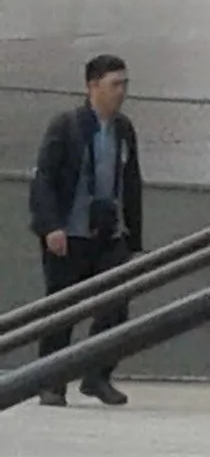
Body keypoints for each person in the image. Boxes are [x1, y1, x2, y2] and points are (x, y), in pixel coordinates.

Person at [27, 53, 143, 405]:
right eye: (114, 84)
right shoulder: (66, 126)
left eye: (124, 84)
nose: (121, 92)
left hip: (109, 233)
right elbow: (44, 178)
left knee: (115, 305)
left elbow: (131, 183)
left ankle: (97, 375)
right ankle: (51, 381)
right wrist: (51, 226)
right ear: (93, 86)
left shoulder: (123, 129)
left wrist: (134, 240)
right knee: (62, 309)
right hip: (69, 233)